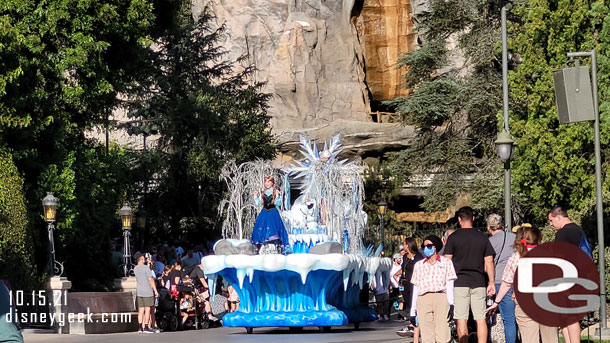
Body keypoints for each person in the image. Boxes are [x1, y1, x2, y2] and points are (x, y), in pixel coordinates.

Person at [486, 226, 558, 343]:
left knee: (529, 338)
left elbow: (506, 284)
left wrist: (496, 302)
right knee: (550, 338)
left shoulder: (516, 258)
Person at [444, 206, 495, 343]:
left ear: (459, 219)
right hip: (478, 281)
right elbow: (489, 261)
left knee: (461, 318)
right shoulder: (482, 237)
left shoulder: (453, 237)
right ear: (473, 218)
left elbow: (447, 261)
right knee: (480, 318)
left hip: (459, 282)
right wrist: (491, 282)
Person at [548, 205, 584, 343]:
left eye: (551, 221)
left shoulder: (563, 233)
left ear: (558, 217)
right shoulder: (577, 230)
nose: (551, 224)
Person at [410, 235, 457, 343]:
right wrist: (413, 311)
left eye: (429, 245)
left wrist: (451, 303)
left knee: (443, 333)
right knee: (427, 334)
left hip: (441, 297)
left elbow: (450, 284)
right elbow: (416, 288)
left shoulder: (446, 263)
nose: (426, 248)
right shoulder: (419, 265)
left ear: (435, 247)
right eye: (424, 245)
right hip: (423, 298)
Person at [487, 214, 517, 343]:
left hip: (500, 280)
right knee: (515, 318)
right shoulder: (514, 237)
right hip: (516, 280)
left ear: (489, 227)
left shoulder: (489, 242)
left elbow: (487, 263)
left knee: (506, 318)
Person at [396, 237, 424, 341]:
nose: (403, 246)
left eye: (404, 244)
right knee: (408, 304)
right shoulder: (405, 257)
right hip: (405, 283)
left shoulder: (419, 257)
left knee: (414, 304)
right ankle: (411, 323)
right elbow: (403, 268)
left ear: (409, 245)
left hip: (414, 284)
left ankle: (415, 325)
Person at [252, 176, 289, 251]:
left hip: (273, 213)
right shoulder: (263, 193)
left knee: (273, 229)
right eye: (265, 181)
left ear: (272, 182)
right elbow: (259, 204)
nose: (267, 183)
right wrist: (255, 196)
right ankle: (262, 247)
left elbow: (278, 203)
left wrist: (278, 196)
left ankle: (275, 246)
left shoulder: (275, 192)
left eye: (269, 181)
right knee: (261, 228)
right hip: (264, 213)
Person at [134, 252, 159, 334]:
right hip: (147, 291)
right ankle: (146, 327)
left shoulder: (135, 269)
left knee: (141, 310)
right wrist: (155, 290)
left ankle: (140, 327)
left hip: (139, 291)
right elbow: (150, 279)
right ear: (141, 259)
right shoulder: (145, 268)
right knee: (147, 309)